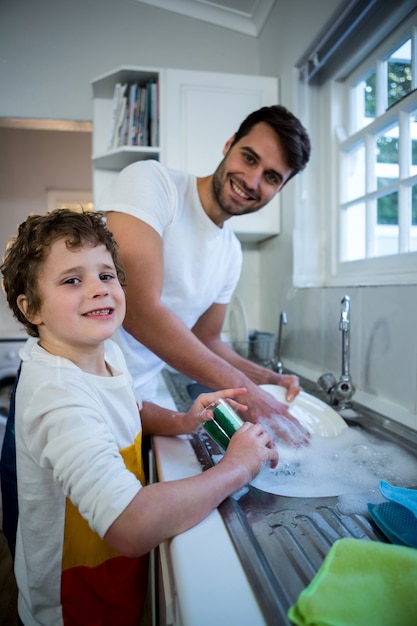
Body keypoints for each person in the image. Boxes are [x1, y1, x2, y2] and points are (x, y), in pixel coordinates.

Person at [0, 208, 278, 626]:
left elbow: (129, 410)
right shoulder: (56, 394)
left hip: (112, 586)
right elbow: (129, 523)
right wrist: (237, 466)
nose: (99, 290)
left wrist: (183, 421)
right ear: (31, 308)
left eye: (106, 275)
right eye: (73, 279)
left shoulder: (103, 352)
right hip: (73, 606)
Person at [99, 105, 311, 445]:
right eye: (249, 158)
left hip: (137, 406)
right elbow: (136, 309)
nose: (252, 181)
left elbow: (207, 338)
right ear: (229, 144)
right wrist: (252, 395)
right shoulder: (153, 183)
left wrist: (266, 379)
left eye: (272, 177)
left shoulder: (231, 252)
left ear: (280, 189)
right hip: (78, 394)